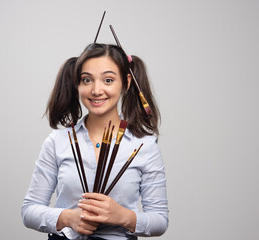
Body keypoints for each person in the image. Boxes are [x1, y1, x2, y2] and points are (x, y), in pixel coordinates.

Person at [21, 43, 168, 240]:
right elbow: (29, 210)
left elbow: (160, 220)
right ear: (77, 84)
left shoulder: (145, 146)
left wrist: (124, 217)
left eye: (108, 80)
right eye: (87, 80)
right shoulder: (57, 141)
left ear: (126, 82)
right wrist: (66, 217)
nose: (96, 90)